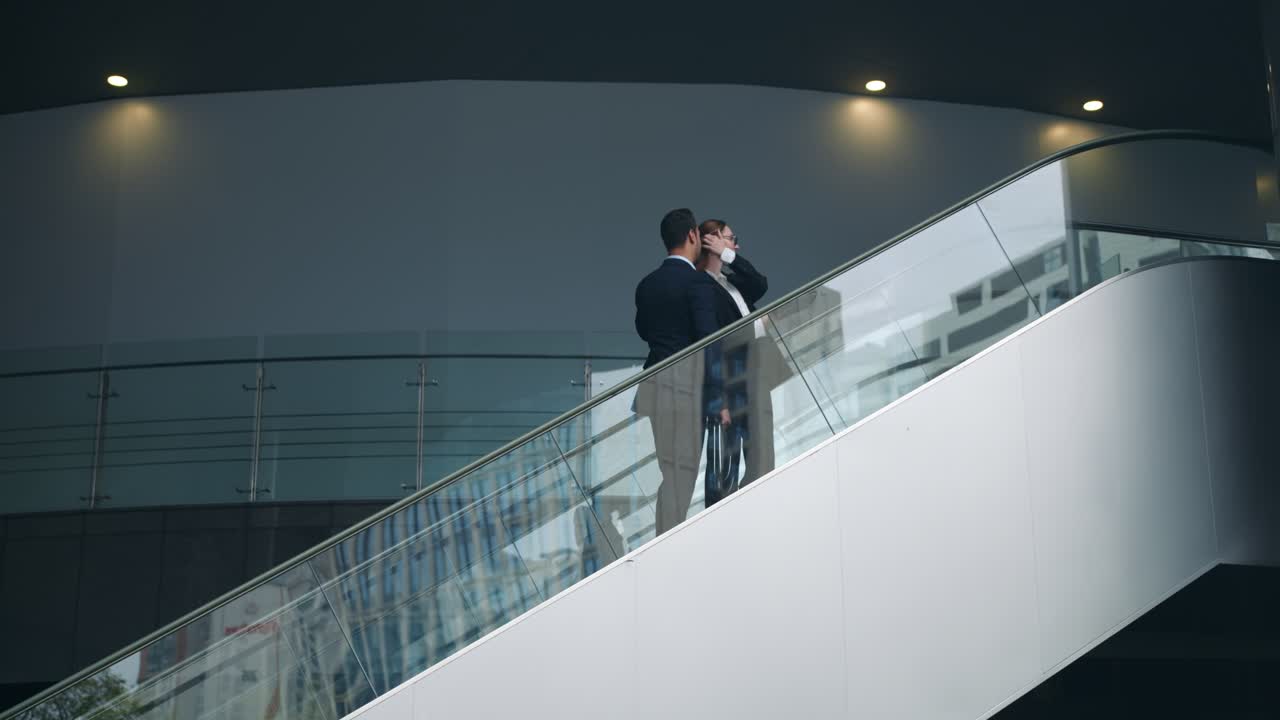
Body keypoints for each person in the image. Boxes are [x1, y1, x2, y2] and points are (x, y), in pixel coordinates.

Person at [634, 208, 728, 536]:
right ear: (692, 236)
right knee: (683, 475)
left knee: (670, 473)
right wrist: (717, 399)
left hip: (654, 388)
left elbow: (644, 330)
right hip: (686, 390)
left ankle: (664, 538)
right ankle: (668, 544)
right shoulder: (697, 283)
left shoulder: (646, 285)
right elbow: (709, 341)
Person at [696, 219, 785, 506]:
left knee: (763, 455)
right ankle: (737, 512)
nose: (737, 244)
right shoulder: (702, 287)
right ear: (712, 241)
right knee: (733, 461)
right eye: (731, 239)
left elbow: (761, 283)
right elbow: (713, 340)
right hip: (732, 380)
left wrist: (728, 254)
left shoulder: (733, 281)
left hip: (755, 373)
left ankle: (759, 506)